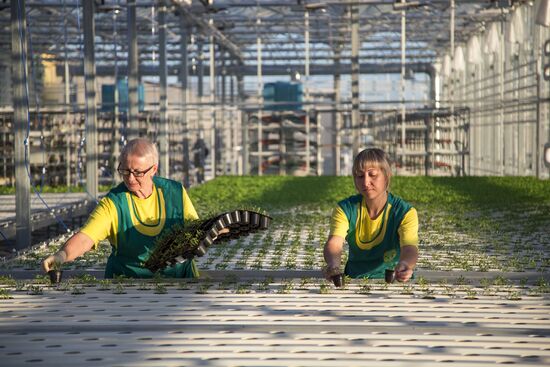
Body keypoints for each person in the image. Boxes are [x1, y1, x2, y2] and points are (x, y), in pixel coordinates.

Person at [42, 138, 200, 278]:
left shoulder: (175, 193)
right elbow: (86, 238)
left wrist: (219, 231)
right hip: (127, 284)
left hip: (179, 281)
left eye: (137, 172)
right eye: (125, 171)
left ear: (153, 169)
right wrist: (61, 256)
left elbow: (197, 231)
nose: (130, 178)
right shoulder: (114, 202)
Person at [323, 148, 418, 282]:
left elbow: (409, 247)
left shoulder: (404, 212)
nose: (366, 182)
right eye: (360, 176)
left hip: (394, 282)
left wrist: (405, 265)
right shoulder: (345, 209)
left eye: (372, 175)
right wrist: (333, 265)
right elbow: (334, 243)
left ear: (387, 176)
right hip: (354, 280)